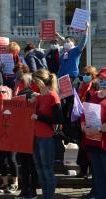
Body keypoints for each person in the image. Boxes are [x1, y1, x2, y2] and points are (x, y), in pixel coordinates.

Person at [30, 69, 63, 199]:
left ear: (40, 80)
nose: (33, 83)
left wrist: (38, 117)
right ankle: (45, 196)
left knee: (47, 170)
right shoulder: (39, 96)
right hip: (35, 137)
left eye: (34, 80)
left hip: (46, 138)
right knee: (40, 170)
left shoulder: (52, 96)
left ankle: (49, 196)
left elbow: (59, 119)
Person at [80, 67, 106, 199]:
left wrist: (99, 129)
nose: (102, 81)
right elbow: (85, 113)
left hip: (104, 143)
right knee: (98, 175)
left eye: (105, 79)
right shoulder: (94, 95)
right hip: (91, 141)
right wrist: (84, 126)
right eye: (101, 79)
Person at [13, 74, 39, 199]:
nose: (19, 82)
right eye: (19, 80)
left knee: (30, 164)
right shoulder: (18, 94)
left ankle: (32, 190)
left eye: (22, 81)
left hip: (31, 133)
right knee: (24, 164)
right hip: (21, 133)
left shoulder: (34, 94)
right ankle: (25, 190)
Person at [0, 86, 19, 195]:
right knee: (2, 161)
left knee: (12, 160)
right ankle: (4, 183)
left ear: (8, 93)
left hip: (11, 137)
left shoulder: (14, 105)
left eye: (3, 92)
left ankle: (15, 183)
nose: (1, 93)